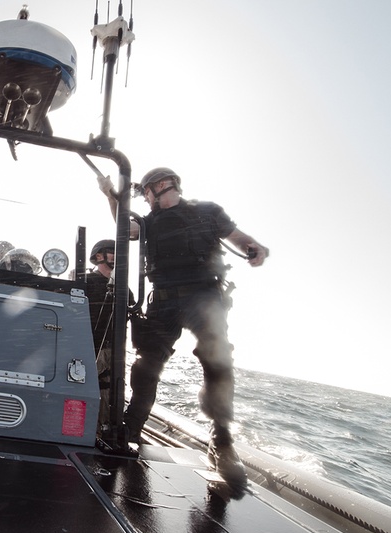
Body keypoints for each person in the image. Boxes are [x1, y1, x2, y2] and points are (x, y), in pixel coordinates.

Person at [99, 167, 268, 487]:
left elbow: (236, 236)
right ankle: (130, 431)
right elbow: (126, 227)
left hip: (205, 299)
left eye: (146, 192)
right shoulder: (149, 222)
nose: (145, 199)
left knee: (217, 363)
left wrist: (252, 246)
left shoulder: (208, 211)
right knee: (146, 368)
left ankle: (222, 445)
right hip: (164, 302)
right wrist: (109, 195)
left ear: (161, 186)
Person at [84, 239, 133, 435]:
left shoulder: (123, 289)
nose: (116, 256)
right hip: (87, 347)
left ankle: (100, 432)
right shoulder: (86, 282)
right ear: (98, 256)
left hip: (111, 351)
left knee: (107, 390)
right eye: (111, 252)